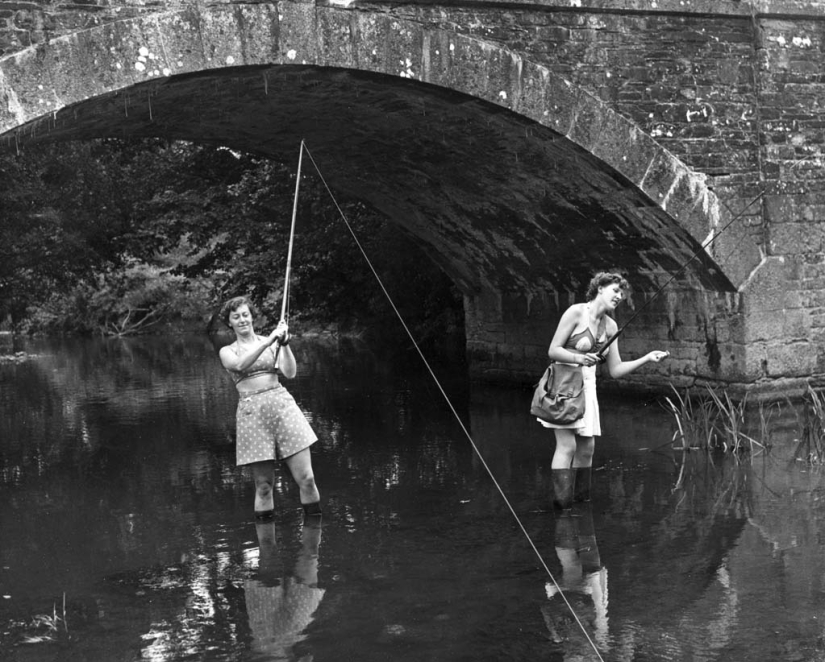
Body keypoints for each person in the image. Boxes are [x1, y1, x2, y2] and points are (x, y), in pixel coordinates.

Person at [541, 272, 668, 509]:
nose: (619, 296)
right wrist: (580, 358)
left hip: (588, 387)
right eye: (615, 290)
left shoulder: (611, 326)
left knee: (587, 449)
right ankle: (562, 505)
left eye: (622, 293)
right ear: (600, 288)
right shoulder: (576, 313)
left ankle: (580, 502)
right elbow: (553, 350)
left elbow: (616, 369)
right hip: (565, 385)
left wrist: (648, 358)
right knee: (567, 446)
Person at [219, 296, 321, 518]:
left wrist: (283, 344)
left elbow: (290, 373)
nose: (242, 320)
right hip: (251, 413)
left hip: (282, 406)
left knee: (308, 478)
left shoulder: (274, 341)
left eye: (245, 314)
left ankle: (313, 546)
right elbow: (238, 365)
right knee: (264, 486)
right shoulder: (227, 351)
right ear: (230, 323)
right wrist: (267, 342)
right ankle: (267, 551)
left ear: (252, 317)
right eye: (236, 317)